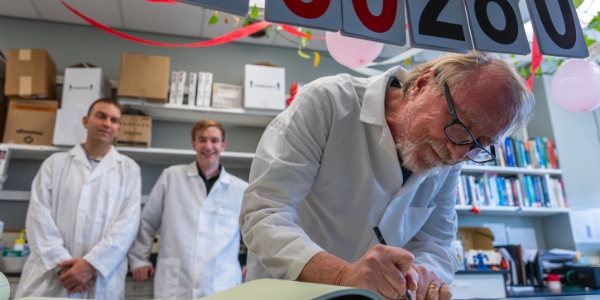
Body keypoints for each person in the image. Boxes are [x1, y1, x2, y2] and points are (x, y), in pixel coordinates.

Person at [240, 51, 535, 300]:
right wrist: (343, 274)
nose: (458, 154)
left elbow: (436, 243)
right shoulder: (328, 101)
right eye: (462, 126)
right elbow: (264, 213)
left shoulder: (454, 151)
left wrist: (422, 276)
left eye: (481, 144)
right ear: (422, 85)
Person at [15, 98, 141, 299]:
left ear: (118, 128)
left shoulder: (129, 170)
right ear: (85, 121)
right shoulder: (54, 164)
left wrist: (91, 265)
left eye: (114, 120)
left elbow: (126, 226)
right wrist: (65, 267)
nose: (107, 123)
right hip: (52, 276)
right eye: (101, 116)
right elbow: (38, 217)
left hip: (99, 279)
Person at [128, 119, 249, 299]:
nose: (208, 146)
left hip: (221, 281)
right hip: (177, 281)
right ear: (194, 144)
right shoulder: (171, 177)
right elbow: (147, 221)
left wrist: (253, 264)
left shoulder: (240, 188)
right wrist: (139, 259)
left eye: (214, 140)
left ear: (223, 145)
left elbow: (253, 232)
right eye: (202, 140)